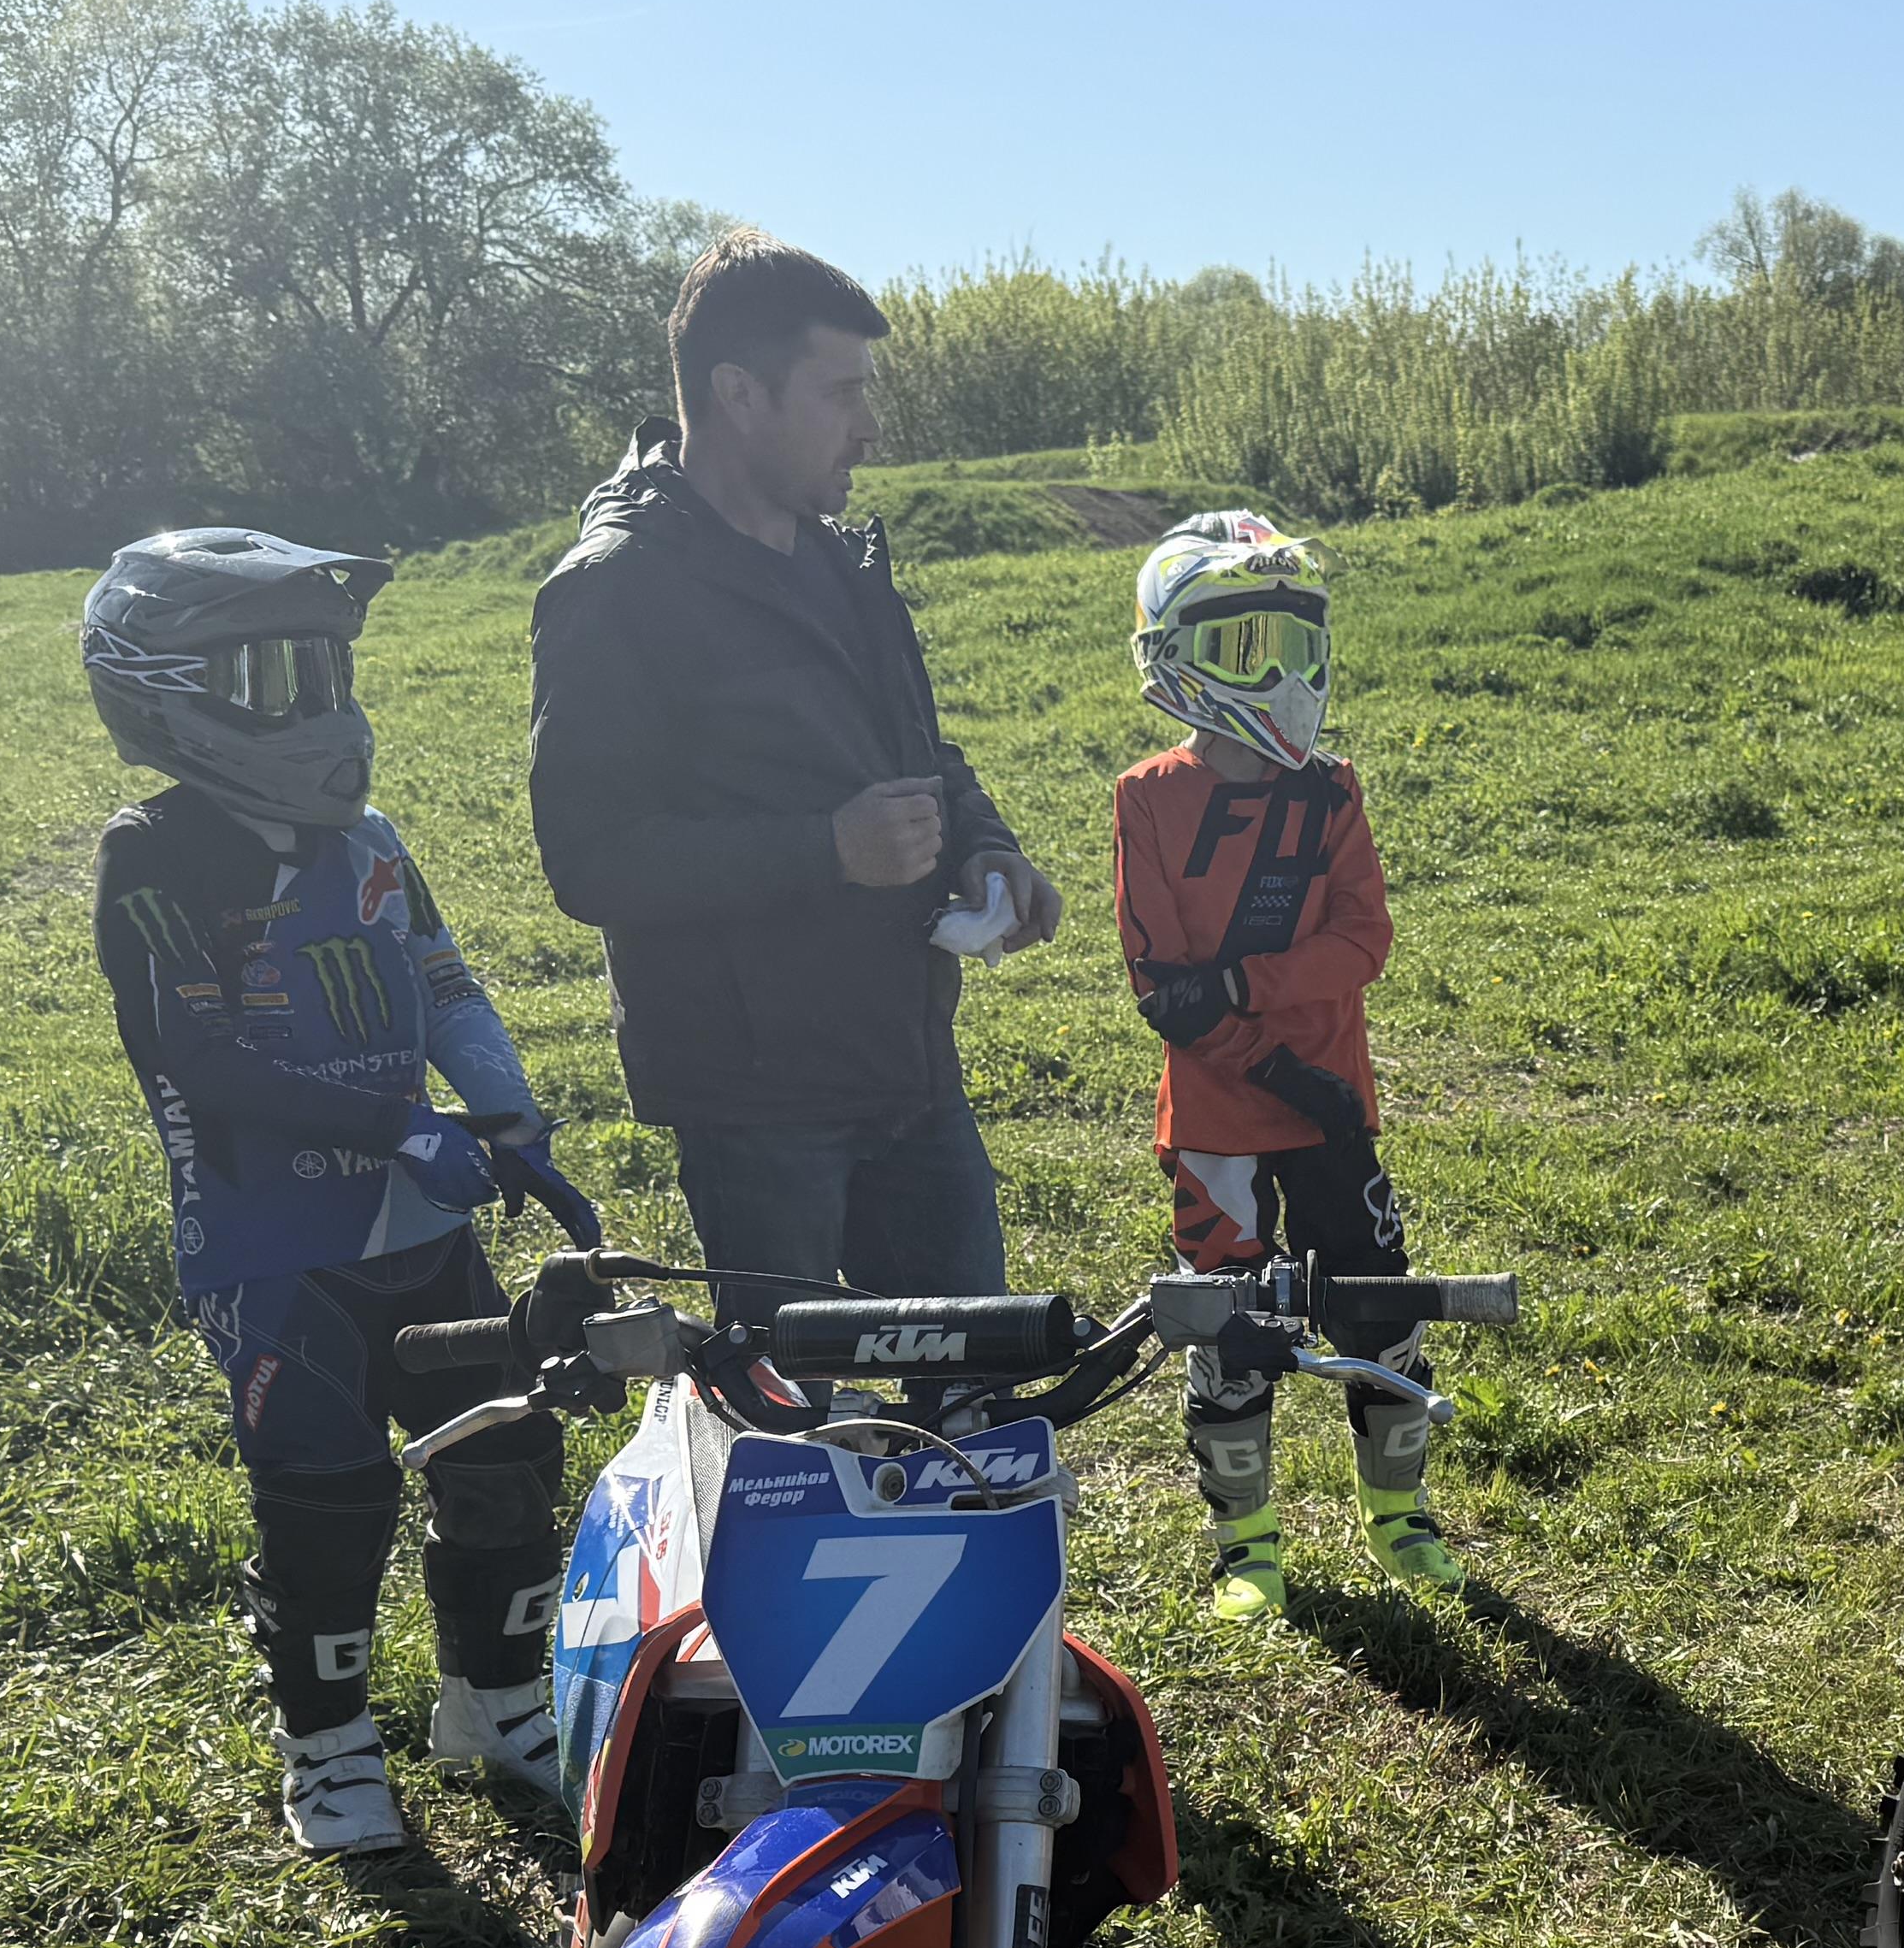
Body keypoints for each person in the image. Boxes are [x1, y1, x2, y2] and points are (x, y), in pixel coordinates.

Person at [83, 526, 570, 1856]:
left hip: (423, 1226)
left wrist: (508, 1112)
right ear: (166, 697)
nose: (326, 709)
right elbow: (201, 1059)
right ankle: (330, 1749)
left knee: (507, 1456)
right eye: (278, 678)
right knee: (327, 1496)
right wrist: (399, 1126)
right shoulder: (151, 857)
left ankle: (497, 1705)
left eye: (331, 670)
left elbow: (445, 982)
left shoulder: (372, 840)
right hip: (272, 1247)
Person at [525, 233, 1060, 1319]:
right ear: (739, 393)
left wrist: (983, 845)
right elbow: (592, 860)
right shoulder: (616, 591)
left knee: (976, 1376)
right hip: (758, 1105)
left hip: (907, 1064)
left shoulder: (839, 560)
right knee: (786, 1403)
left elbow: (919, 752)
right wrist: (827, 850)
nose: (869, 427)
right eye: (841, 392)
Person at [1109, 511, 1460, 1619]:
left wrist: (1243, 986)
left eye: (1296, 644)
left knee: (1379, 1308)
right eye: (1244, 647)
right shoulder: (1147, 797)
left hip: (1332, 1111)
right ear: (1176, 656)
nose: (1281, 676)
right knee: (1230, 1327)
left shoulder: (1332, 789)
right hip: (1217, 1119)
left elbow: (1365, 942)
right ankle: (1246, 1549)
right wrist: (1261, 1042)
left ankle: (1401, 1518)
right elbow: (1165, 989)